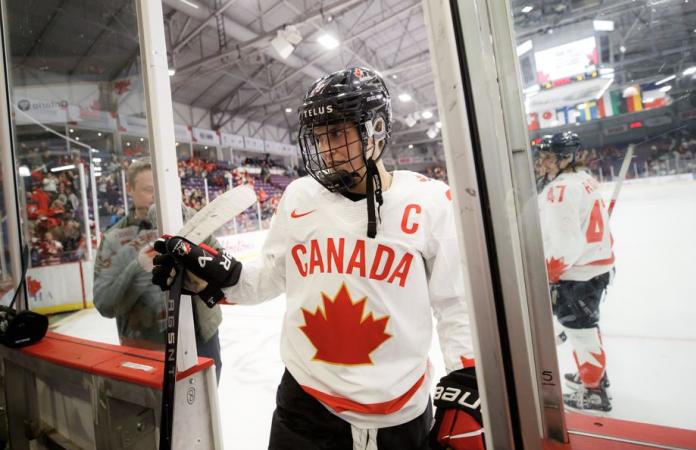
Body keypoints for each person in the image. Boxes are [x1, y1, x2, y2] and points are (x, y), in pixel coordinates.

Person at [152, 67, 483, 449]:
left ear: (375, 129)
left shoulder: (430, 202)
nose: (326, 149)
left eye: (338, 133)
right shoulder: (299, 196)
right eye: (320, 136)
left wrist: (466, 383)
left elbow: (456, 306)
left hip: (400, 414)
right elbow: (267, 279)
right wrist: (211, 275)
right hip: (305, 408)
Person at [93, 158, 224, 380]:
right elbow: (105, 304)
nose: (158, 197)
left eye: (164, 189)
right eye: (148, 190)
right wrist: (138, 267)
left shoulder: (191, 221)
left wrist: (194, 256)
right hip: (146, 346)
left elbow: (222, 267)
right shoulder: (116, 238)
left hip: (202, 336)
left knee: (204, 408)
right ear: (130, 189)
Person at [535, 132, 615, 412]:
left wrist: (550, 272)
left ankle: (593, 392)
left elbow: (564, 242)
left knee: (580, 332)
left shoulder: (560, 189)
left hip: (576, 274)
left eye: (548, 157)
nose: (542, 162)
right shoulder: (584, 180)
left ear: (566, 158)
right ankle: (593, 374)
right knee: (586, 328)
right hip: (596, 268)